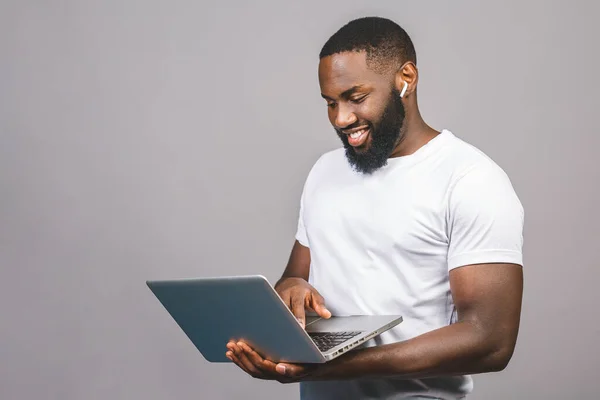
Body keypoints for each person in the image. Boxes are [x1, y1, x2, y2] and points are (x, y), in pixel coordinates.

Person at [225, 16, 524, 400]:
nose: (341, 118)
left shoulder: (470, 179)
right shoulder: (324, 171)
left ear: (406, 78)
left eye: (356, 97)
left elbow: (490, 340)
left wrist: (328, 367)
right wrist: (291, 289)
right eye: (330, 103)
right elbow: (294, 278)